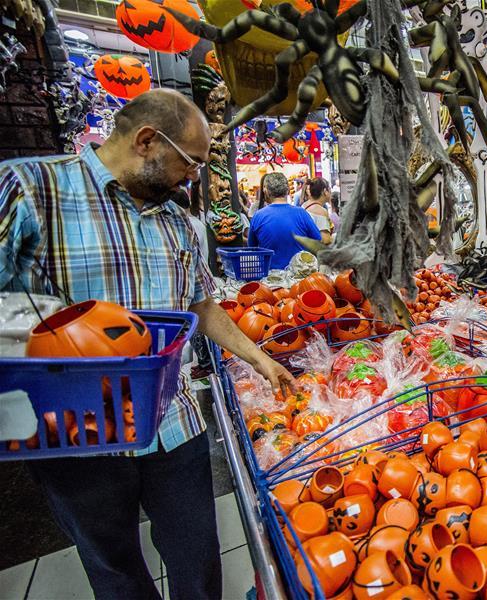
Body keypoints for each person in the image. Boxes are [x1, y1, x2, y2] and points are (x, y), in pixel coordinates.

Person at [0, 89, 296, 600]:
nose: (197, 176)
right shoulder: (32, 190)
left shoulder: (180, 221)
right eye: (192, 162)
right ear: (146, 141)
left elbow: (201, 306)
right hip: (75, 431)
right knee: (113, 567)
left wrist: (259, 358)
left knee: (197, 558)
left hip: (172, 420)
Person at [248, 172, 323, 270]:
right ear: (287, 191)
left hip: (269, 278)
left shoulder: (258, 216)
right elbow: (317, 240)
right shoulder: (301, 213)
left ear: (265, 191)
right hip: (299, 277)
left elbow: (252, 248)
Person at [303, 177, 334, 244]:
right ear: (325, 191)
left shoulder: (305, 205)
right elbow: (325, 240)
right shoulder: (321, 211)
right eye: (329, 189)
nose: (331, 192)